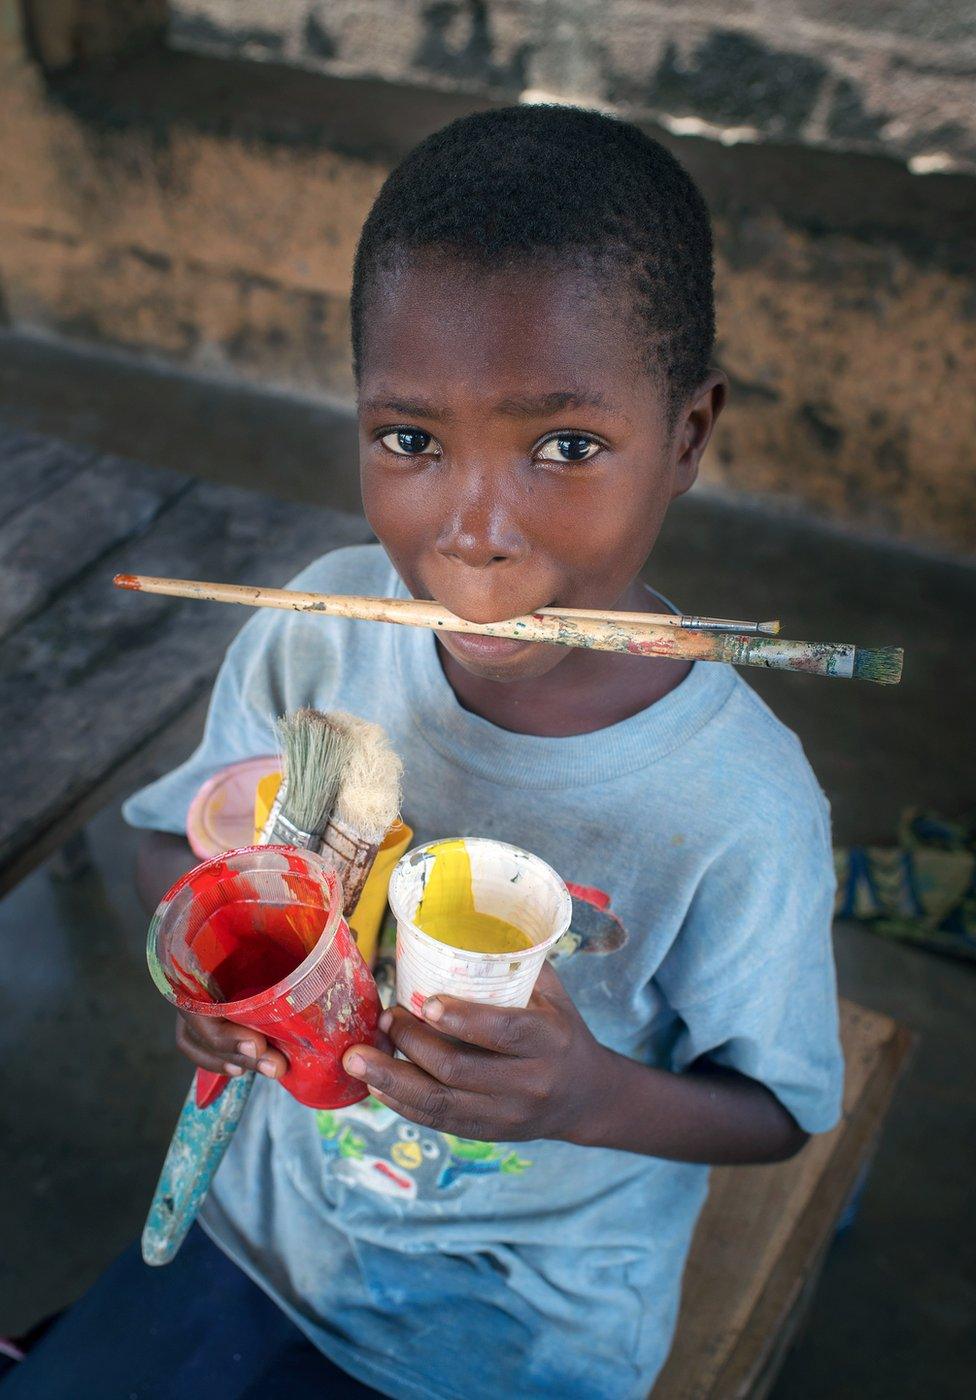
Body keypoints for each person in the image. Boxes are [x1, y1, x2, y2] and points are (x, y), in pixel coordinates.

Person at [4, 105, 843, 1400]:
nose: (474, 532)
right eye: (410, 440)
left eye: (565, 447)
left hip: (519, 1314)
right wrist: (216, 986)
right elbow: (180, 844)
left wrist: (580, 1097)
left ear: (686, 435)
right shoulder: (312, 641)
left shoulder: (739, 803)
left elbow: (778, 1112)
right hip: (262, 1219)